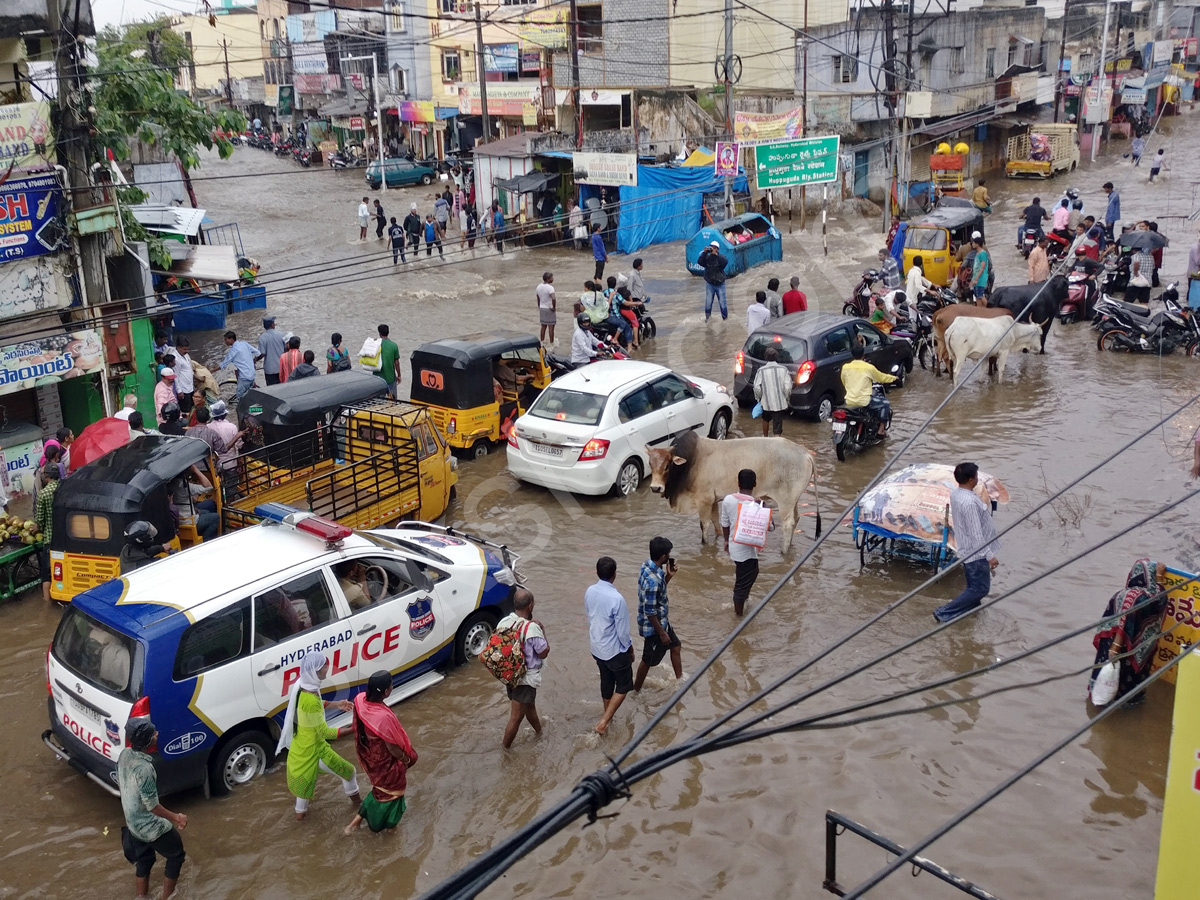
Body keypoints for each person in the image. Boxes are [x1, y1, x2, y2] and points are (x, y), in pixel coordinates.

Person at [277, 651, 359, 820]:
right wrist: (354, 728)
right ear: (316, 672)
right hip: (317, 750)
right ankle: (359, 807)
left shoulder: (302, 686)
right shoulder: (312, 699)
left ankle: (299, 820)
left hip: (301, 747)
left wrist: (337, 704)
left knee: (304, 790)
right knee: (349, 772)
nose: (327, 668)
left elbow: (313, 706)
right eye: (324, 666)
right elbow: (325, 732)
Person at [118, 720, 188, 900]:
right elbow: (152, 806)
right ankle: (166, 898)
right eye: (153, 733)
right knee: (176, 855)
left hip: (133, 824)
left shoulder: (125, 754)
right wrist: (176, 817)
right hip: (150, 826)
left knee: (145, 860)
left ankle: (141, 897)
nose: (157, 733)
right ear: (148, 741)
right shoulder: (145, 769)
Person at [344, 671, 418, 835]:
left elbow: (357, 726)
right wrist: (405, 759)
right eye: (391, 685)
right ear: (386, 692)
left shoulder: (360, 700)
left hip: (370, 758)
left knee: (379, 790)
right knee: (394, 794)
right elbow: (392, 748)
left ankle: (354, 823)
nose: (392, 687)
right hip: (385, 762)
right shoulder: (382, 718)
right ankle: (389, 829)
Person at [1090, 560, 1170, 705]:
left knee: (1106, 678)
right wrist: (1159, 576)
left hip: (1108, 644)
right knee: (1126, 685)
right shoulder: (1145, 597)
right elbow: (1160, 600)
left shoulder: (1120, 594)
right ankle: (1128, 708)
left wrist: (1112, 647)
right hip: (1127, 648)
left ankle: (1099, 702)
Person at [933, 462, 999, 623]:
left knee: (974, 587)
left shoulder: (957, 494)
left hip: (967, 547)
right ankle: (943, 612)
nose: (977, 479)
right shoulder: (968, 502)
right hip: (976, 552)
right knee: (980, 589)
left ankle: (969, 611)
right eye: (976, 476)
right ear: (970, 480)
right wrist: (990, 556)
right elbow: (976, 534)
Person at [584, 556, 635, 735]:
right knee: (624, 685)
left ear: (597, 572)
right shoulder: (617, 599)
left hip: (597, 647)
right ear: (615, 574)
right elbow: (622, 632)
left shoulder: (590, 591)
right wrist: (630, 649)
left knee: (607, 682)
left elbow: (590, 615)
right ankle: (604, 722)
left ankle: (607, 720)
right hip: (614, 650)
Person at [496, 588, 549, 749]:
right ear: (530, 606)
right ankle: (505, 750)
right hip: (525, 679)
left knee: (529, 706)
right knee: (516, 717)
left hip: (509, 676)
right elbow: (544, 652)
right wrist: (543, 630)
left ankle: (539, 732)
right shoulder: (531, 628)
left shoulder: (503, 623)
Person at [719, 469, 771, 617]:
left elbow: (724, 523)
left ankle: (742, 601)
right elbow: (770, 527)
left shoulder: (728, 500)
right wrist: (765, 508)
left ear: (738, 483)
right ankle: (739, 616)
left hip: (735, 546)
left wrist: (726, 540)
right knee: (742, 582)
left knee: (751, 573)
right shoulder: (758, 504)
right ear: (755, 484)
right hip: (747, 550)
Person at [633, 537, 682, 690]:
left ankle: (680, 682)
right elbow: (650, 611)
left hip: (662, 621)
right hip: (654, 626)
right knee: (647, 660)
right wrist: (662, 633)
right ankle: (636, 689)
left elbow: (658, 593)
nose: (669, 556)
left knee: (676, 647)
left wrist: (668, 576)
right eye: (668, 554)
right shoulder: (653, 580)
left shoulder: (647, 566)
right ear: (663, 556)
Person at [841, 339, 897, 436]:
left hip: (849, 400)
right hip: (864, 401)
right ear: (863, 354)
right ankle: (881, 430)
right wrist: (894, 378)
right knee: (885, 403)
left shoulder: (845, 367)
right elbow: (881, 377)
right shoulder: (868, 367)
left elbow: (844, 381)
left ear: (852, 354)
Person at [752, 347, 791, 436]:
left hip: (766, 403)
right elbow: (788, 387)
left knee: (765, 419)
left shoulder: (761, 371)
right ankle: (777, 442)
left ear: (766, 357)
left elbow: (757, 387)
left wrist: (760, 398)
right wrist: (786, 398)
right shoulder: (784, 369)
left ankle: (765, 437)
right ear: (777, 357)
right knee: (777, 427)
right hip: (779, 404)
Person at [35, 463, 58, 602]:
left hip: (49, 539)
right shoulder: (64, 488)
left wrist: (35, 528)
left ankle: (46, 604)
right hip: (65, 541)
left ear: (46, 476)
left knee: (47, 573)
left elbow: (39, 520)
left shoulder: (43, 494)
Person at [207, 400, 242, 473]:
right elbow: (239, 445)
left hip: (214, 466)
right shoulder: (232, 427)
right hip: (230, 464)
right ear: (225, 414)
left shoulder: (208, 428)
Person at [698, 240, 729, 321]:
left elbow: (726, 262)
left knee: (722, 303)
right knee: (708, 303)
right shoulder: (707, 258)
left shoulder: (720, 257)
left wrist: (717, 255)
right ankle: (707, 319)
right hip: (710, 284)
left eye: (714, 248)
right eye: (711, 247)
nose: (712, 249)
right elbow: (700, 262)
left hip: (720, 284)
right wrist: (704, 253)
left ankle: (725, 319)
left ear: (717, 249)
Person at [256, 316, 285, 385]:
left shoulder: (262, 338)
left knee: (271, 390)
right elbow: (286, 349)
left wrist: (254, 360)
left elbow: (262, 354)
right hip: (282, 368)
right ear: (272, 325)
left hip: (270, 370)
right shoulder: (281, 335)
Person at [376, 324, 401, 399]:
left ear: (379, 334)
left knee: (379, 401)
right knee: (392, 400)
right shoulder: (393, 346)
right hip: (390, 377)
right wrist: (399, 375)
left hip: (377, 378)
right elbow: (396, 363)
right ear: (388, 332)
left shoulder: (376, 344)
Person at [172, 338, 195, 414]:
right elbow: (176, 376)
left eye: (188, 349)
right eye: (184, 349)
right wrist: (179, 391)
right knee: (186, 411)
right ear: (178, 347)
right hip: (183, 389)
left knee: (192, 408)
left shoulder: (186, 355)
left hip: (190, 387)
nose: (187, 351)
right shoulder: (176, 359)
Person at [536, 271, 557, 345]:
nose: (553, 279)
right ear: (548, 279)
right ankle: (552, 344)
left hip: (542, 308)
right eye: (552, 278)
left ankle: (542, 342)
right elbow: (553, 298)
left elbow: (538, 297)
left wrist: (539, 306)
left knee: (543, 327)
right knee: (551, 328)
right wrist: (554, 307)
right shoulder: (550, 288)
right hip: (549, 309)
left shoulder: (538, 286)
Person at [970, 235, 991, 306]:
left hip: (981, 279)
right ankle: (980, 310)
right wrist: (973, 280)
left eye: (973, 243)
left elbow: (982, 267)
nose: (972, 244)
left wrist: (976, 279)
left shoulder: (983, 254)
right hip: (976, 278)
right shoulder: (977, 253)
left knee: (980, 295)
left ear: (977, 244)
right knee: (977, 296)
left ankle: (988, 308)